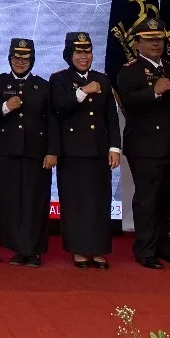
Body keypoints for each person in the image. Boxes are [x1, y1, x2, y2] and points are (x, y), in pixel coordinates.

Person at [115, 15, 170, 270]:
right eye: (149, 39)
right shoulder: (129, 70)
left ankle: (164, 248)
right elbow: (128, 101)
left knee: (167, 201)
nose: (156, 44)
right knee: (147, 199)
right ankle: (145, 250)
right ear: (137, 43)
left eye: (159, 39)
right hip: (145, 146)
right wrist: (154, 91)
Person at [50, 32, 120, 269]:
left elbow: (111, 117)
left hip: (99, 151)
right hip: (72, 152)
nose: (84, 56)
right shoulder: (59, 79)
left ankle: (98, 249)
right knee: (75, 202)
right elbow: (58, 108)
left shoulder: (103, 79)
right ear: (69, 55)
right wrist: (82, 92)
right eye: (79, 52)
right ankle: (79, 249)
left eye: (87, 52)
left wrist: (114, 147)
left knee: (99, 202)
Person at [0, 38, 57, 267]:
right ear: (10, 58)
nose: (20, 62)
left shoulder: (43, 86)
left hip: (37, 154)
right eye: (16, 57)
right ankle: (18, 248)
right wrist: (4, 107)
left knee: (35, 201)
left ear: (33, 60)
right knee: (11, 201)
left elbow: (52, 121)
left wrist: (52, 151)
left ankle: (34, 250)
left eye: (25, 58)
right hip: (8, 151)